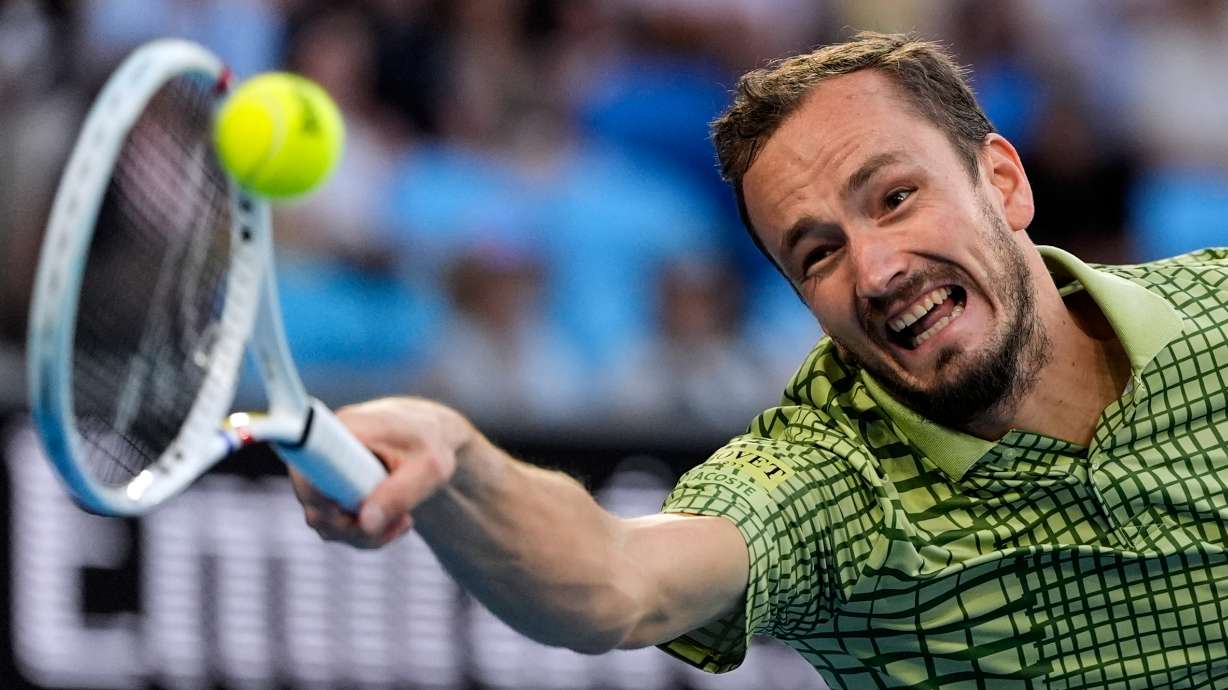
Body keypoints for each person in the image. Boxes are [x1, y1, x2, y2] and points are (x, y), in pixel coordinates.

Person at [291, 32, 1228, 688]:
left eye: (896, 197)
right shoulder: (828, 478)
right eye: (817, 253)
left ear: (1004, 181)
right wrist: (458, 459)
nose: (876, 269)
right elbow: (614, 578)